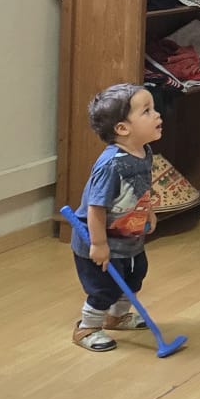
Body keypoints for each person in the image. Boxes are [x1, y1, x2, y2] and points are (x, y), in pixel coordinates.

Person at [71, 83, 164, 353]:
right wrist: (99, 245)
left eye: (153, 109)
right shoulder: (112, 165)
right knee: (105, 288)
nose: (157, 115)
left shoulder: (143, 152)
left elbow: (140, 188)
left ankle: (117, 316)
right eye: (147, 111)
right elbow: (96, 208)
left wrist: (147, 211)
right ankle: (87, 327)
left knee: (135, 276)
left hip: (128, 236)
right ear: (122, 128)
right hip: (99, 240)